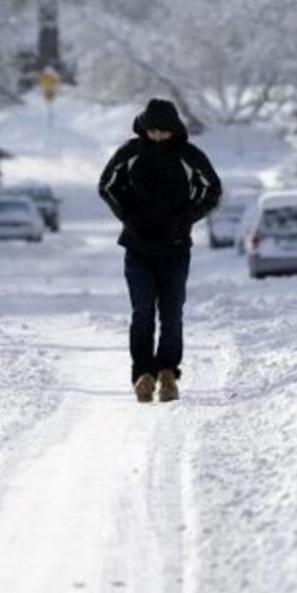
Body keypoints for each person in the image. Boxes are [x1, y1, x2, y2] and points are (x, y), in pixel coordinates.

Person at [98, 98, 221, 403]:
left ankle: (167, 372)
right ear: (144, 127)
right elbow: (106, 186)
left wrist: (186, 219)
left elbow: (212, 190)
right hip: (137, 248)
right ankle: (143, 374)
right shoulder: (130, 153)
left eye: (163, 132)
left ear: (174, 130)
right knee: (142, 312)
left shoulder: (189, 155)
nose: (158, 137)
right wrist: (128, 216)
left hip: (175, 248)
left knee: (171, 313)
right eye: (152, 131)